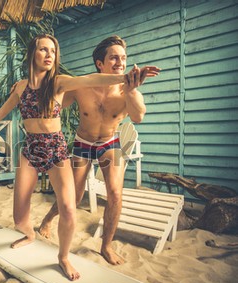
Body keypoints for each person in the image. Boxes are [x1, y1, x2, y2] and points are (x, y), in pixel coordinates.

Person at [0, 34, 159, 281]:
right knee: (33, 213)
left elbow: (124, 105)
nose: (49, 55)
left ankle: (82, 252)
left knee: (96, 199)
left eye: (53, 51)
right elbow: (4, 110)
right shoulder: (29, 87)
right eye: (43, 50)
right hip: (50, 147)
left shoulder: (67, 83)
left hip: (86, 146)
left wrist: (127, 81)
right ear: (32, 54)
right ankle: (34, 230)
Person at [39, 35, 159, 266]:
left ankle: (106, 245)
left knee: (115, 193)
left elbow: (138, 117)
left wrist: (132, 91)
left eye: (123, 58)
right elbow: (54, 104)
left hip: (109, 144)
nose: (120, 63)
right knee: (72, 196)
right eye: (114, 58)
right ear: (100, 64)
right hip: (83, 144)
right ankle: (47, 220)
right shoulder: (83, 86)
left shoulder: (128, 91)